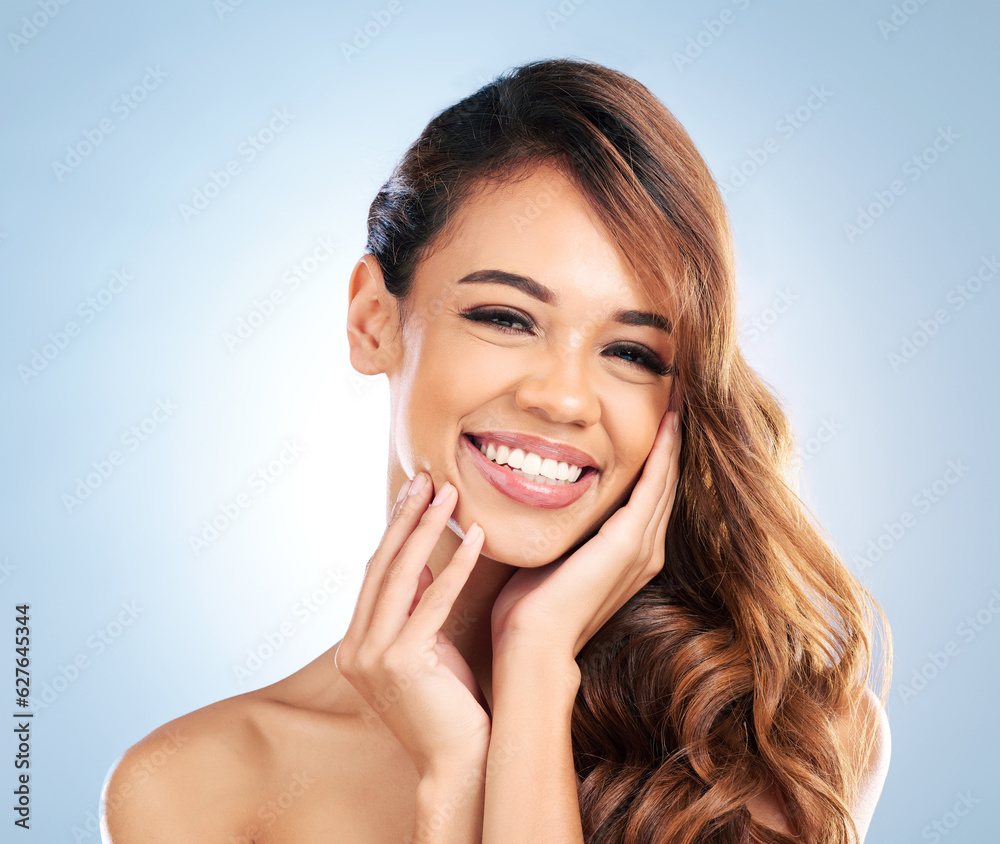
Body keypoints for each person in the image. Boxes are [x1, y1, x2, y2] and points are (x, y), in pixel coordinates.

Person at [101, 58, 891, 843]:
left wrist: (538, 665)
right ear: (374, 320)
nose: (565, 397)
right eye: (507, 317)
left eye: (633, 353)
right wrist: (459, 776)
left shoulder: (784, 740)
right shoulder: (193, 787)